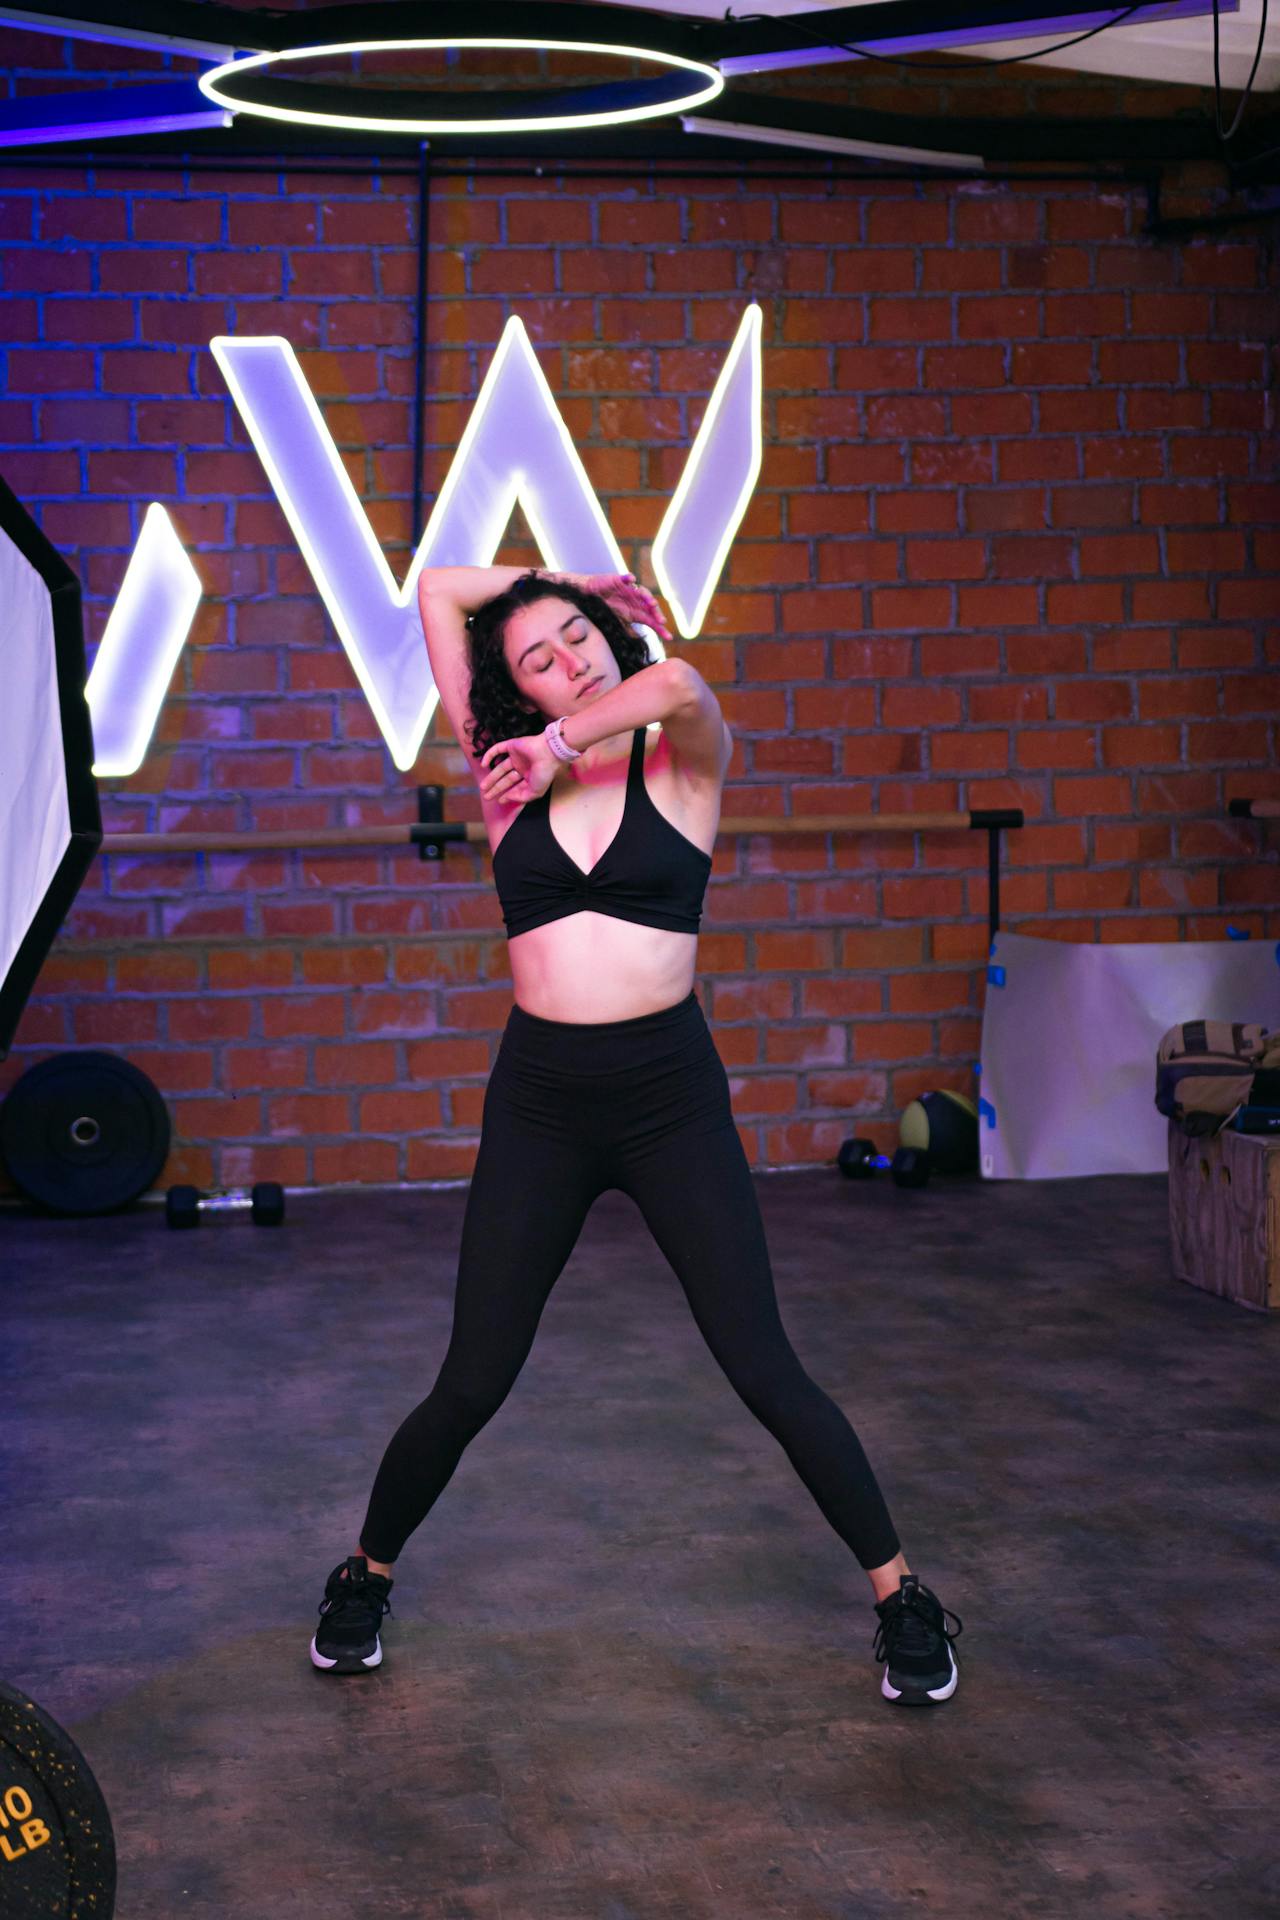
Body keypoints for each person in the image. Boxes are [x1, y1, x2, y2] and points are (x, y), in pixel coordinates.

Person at [310, 565, 963, 1706]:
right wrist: (547, 590)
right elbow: (440, 591)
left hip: (669, 1099)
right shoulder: (502, 768)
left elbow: (682, 681)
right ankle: (364, 1576)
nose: (569, 661)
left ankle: (901, 1596)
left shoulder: (683, 757)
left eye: (580, 634)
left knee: (761, 1364)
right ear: (512, 693)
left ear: (612, 635)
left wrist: (568, 684)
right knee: (471, 1380)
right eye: (538, 659)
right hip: (541, 1105)